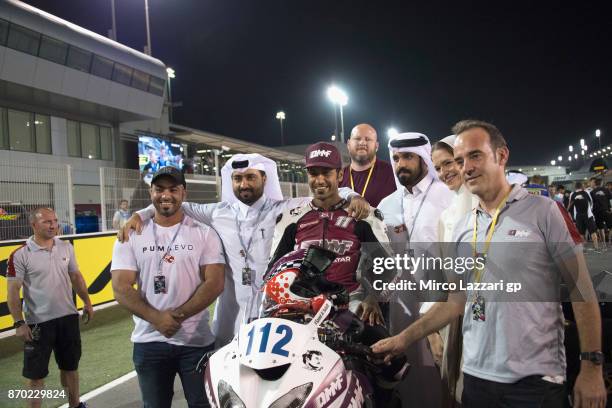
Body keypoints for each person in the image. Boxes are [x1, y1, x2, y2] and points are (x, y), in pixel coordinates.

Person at [372, 119, 607, 408]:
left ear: (502, 155)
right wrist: (404, 338)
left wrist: (592, 367)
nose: (465, 167)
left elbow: (581, 292)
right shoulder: (459, 226)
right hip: (476, 379)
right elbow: (454, 302)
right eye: (459, 160)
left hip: (535, 381)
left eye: (475, 156)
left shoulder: (544, 211)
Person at [119, 153, 370, 346]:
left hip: (275, 314)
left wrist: (354, 195)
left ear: (264, 179)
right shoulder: (217, 213)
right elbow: (173, 203)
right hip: (230, 317)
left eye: (251, 177)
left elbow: (326, 195)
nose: (244, 184)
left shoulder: (285, 209)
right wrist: (140, 214)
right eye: (238, 179)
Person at [111, 167, 225, 408]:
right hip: (149, 342)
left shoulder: (204, 233)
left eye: (173, 189)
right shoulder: (132, 234)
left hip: (196, 341)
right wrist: (157, 318)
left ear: (184, 192)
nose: (166, 195)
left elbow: (215, 282)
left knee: (203, 405)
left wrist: (176, 316)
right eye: (159, 189)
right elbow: (121, 287)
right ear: (151, 192)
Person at [269, 142, 391, 320]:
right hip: (303, 311)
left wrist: (373, 298)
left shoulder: (364, 216)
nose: (319, 180)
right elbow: (274, 271)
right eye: (313, 173)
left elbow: (389, 266)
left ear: (340, 174)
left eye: (326, 173)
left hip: (352, 307)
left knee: (384, 343)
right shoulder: (290, 220)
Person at [377, 132, 454, 408]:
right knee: (410, 371)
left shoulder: (447, 196)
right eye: (396, 158)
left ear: (423, 158)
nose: (401, 164)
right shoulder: (387, 205)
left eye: (408, 157)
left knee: (445, 373)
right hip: (402, 303)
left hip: (442, 301)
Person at [7, 207, 93, 408]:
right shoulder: (20, 254)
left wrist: (87, 302)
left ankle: (75, 405)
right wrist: (19, 323)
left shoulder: (65, 246)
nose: (53, 225)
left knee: (70, 367)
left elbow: (76, 276)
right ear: (33, 225)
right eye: (47, 222)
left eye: (55, 220)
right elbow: (13, 291)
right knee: (35, 375)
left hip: (68, 318)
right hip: (38, 324)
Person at [430, 135, 478, 406]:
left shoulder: (493, 207)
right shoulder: (446, 217)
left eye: (449, 162)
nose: (444, 172)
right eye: (438, 167)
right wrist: (431, 332)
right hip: (454, 319)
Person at [340, 123, 397, 207]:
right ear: (348, 144)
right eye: (357, 138)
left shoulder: (393, 174)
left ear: (376, 146)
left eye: (368, 139)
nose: (362, 142)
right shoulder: (339, 176)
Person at [569, 181, 600, 249]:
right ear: (581, 186)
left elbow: (570, 205)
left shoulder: (572, 194)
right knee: (592, 231)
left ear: (575, 187)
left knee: (581, 233)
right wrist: (590, 210)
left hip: (578, 216)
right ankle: (596, 247)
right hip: (588, 215)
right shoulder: (586, 192)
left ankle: (583, 249)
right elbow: (591, 202)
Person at [589, 178, 611, 247]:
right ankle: (610, 241)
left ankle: (604, 243)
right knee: (610, 227)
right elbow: (610, 199)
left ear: (595, 183)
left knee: (600, 228)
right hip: (606, 211)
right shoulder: (606, 190)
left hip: (597, 212)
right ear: (601, 183)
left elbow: (591, 203)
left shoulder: (592, 192)